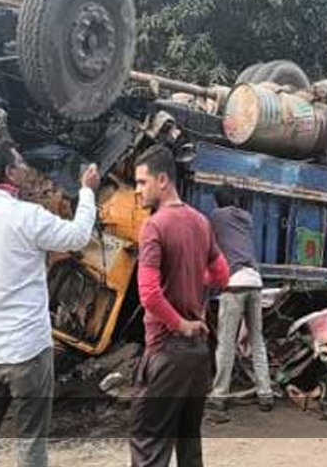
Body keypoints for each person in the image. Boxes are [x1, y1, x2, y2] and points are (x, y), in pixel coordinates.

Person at [0, 140, 99, 467]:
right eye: (21, 164)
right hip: (28, 352)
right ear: (9, 173)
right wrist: (87, 192)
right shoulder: (28, 217)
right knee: (30, 443)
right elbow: (78, 236)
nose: (27, 169)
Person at [130, 145, 230, 467]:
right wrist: (192, 277)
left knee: (148, 447)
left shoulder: (154, 226)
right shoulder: (201, 222)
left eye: (142, 182)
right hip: (197, 355)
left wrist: (180, 324)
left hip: (166, 352)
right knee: (189, 447)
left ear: (162, 180)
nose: (137, 190)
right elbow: (222, 275)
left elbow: (149, 294)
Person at [208, 184, 273, 417]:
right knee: (257, 341)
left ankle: (219, 396)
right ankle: (265, 393)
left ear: (218, 202)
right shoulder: (246, 218)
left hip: (234, 282)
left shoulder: (217, 216)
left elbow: (209, 246)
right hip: (255, 281)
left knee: (226, 342)